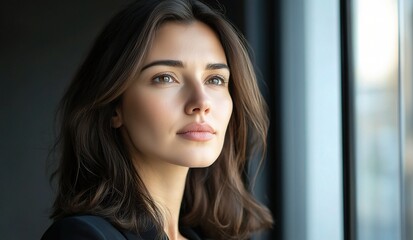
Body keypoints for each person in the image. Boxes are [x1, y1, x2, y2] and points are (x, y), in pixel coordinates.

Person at [41, 0, 273, 239]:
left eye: (215, 79)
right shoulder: (83, 236)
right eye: (165, 78)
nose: (201, 102)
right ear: (114, 107)